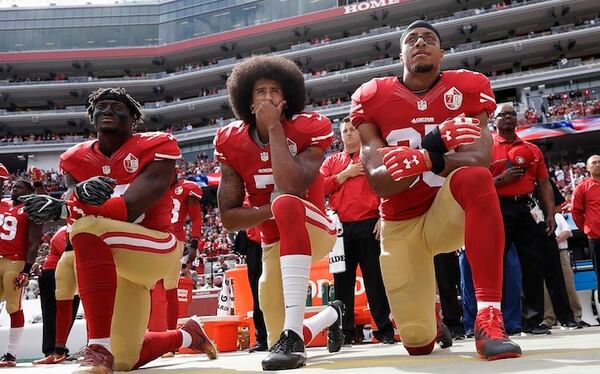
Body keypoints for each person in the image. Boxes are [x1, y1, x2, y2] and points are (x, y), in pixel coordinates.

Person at [351, 20, 521, 360]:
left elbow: (481, 158)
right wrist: (434, 145)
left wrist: (426, 158)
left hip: (447, 210)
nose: (420, 42)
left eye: (429, 38)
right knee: (418, 344)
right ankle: (431, 318)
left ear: (441, 53)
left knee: (475, 178)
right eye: (411, 39)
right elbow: (380, 181)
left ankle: (489, 317)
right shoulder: (374, 96)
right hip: (401, 223)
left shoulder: (466, 88)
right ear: (400, 53)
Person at [20, 87, 216, 373]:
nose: (107, 110)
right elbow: (76, 209)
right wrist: (70, 203)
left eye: (116, 106)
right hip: (116, 261)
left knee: (87, 227)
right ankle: (188, 334)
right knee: (126, 358)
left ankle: (98, 347)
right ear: (91, 117)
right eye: (101, 107)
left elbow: (130, 207)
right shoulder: (75, 159)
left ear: (133, 119)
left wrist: (65, 207)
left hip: (156, 247)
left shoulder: (157, 146)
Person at [215, 55, 344, 370]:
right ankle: (330, 315)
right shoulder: (230, 140)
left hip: (314, 228)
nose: (268, 97)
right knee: (279, 338)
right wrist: (266, 211)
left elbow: (292, 184)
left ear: (287, 100)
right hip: (273, 240)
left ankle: (297, 336)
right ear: (248, 99)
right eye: (260, 91)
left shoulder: (309, 127)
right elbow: (230, 217)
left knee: (286, 201)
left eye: (275, 91)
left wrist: (273, 127)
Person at [320, 117, 395, 345]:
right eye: (345, 130)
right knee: (342, 283)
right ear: (340, 135)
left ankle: (384, 331)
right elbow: (319, 186)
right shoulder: (332, 161)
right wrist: (345, 174)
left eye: (353, 129)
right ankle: (346, 333)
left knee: (375, 281)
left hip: (369, 223)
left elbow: (387, 184)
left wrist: (383, 215)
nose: (349, 133)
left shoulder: (371, 156)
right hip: (340, 230)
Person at [490, 103, 558, 334]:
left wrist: (550, 212)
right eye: (503, 114)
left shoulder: (532, 149)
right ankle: (496, 322)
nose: (508, 117)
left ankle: (532, 320)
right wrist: (502, 179)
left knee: (532, 264)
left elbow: (544, 183)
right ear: (494, 120)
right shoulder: (486, 147)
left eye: (512, 114)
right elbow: (478, 183)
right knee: (496, 266)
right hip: (498, 207)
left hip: (528, 207)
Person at [150, 173, 203, 337]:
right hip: (154, 238)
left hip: (174, 240)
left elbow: (196, 218)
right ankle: (147, 335)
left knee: (170, 288)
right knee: (148, 287)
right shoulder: (155, 187)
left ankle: (171, 336)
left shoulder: (186, 188)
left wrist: (194, 244)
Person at [0, 179, 43, 367]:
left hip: (14, 261)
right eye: (13, 186)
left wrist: (26, 270)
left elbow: (34, 242)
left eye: (19, 187)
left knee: (13, 306)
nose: (13, 188)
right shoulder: (3, 203)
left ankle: (11, 354)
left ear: (28, 190)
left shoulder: (31, 208)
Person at [34, 226, 81, 364]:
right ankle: (51, 349)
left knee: (70, 312)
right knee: (51, 314)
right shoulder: (63, 232)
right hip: (52, 273)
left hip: (71, 272)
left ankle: (60, 349)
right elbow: (68, 252)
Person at [543, 210, 585, 327]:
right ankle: (548, 318)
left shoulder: (557, 216)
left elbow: (567, 231)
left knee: (568, 284)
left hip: (561, 252)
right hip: (545, 253)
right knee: (545, 288)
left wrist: (552, 241)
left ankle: (576, 316)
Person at [232, 227, 268, 352]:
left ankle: (275, 336)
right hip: (256, 240)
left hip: (271, 233)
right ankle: (263, 338)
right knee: (258, 293)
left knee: (267, 291)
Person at [572, 155, 600, 294]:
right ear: (588, 168)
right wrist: (587, 229)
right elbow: (576, 212)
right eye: (594, 163)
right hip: (596, 238)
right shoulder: (582, 188)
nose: (598, 164)